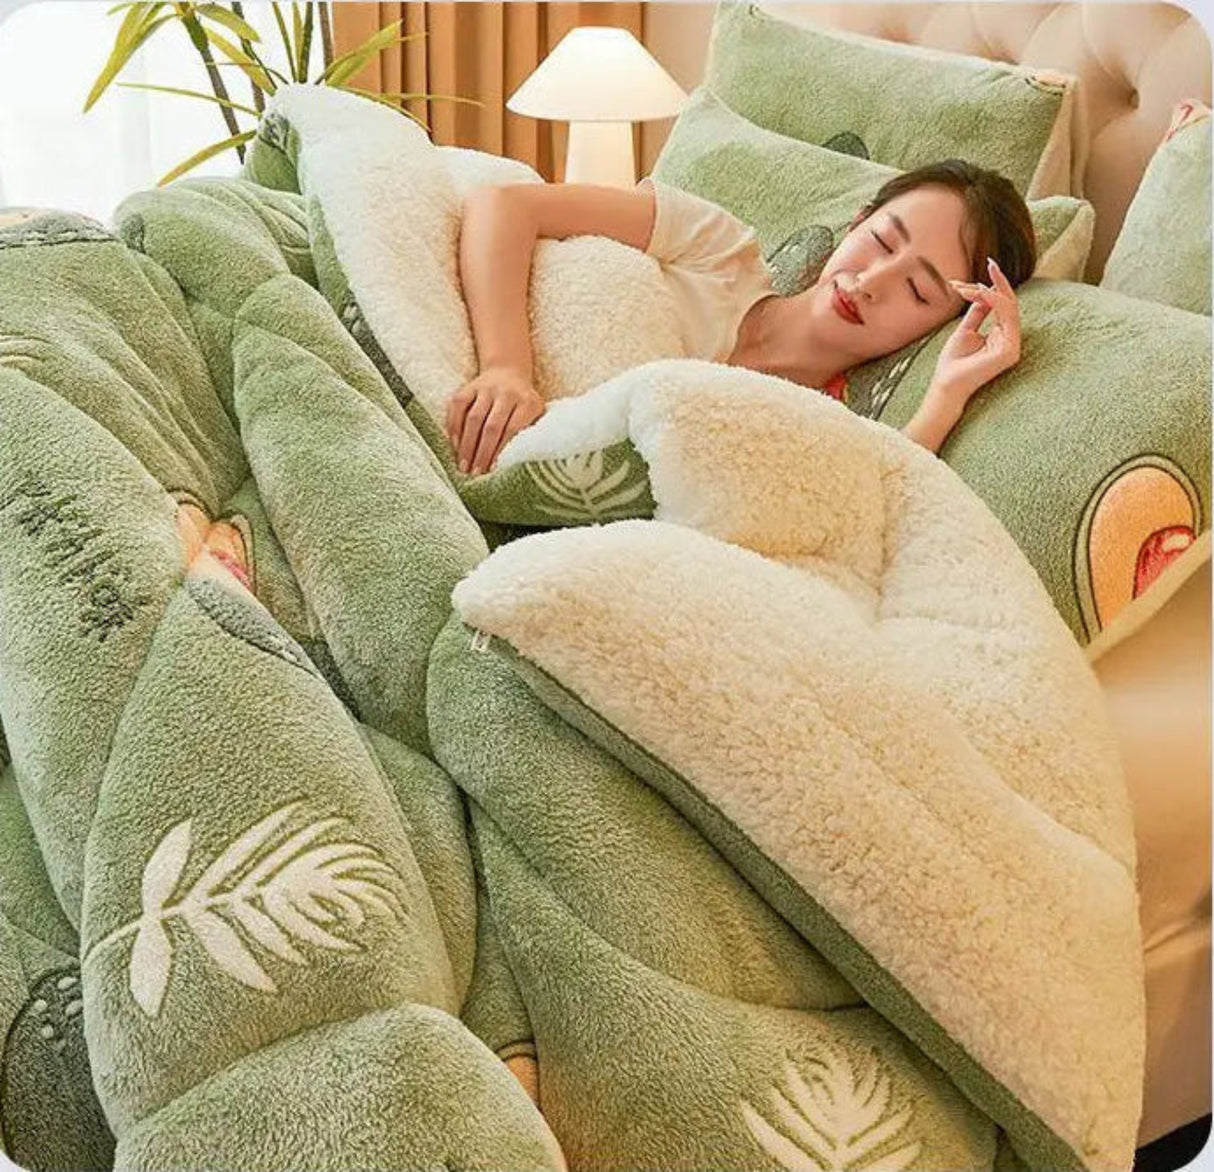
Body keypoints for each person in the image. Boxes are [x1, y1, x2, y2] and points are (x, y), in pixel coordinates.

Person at [449, 158, 1034, 477]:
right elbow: (505, 203)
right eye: (882, 241)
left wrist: (946, 397)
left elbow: (873, 500)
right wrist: (505, 367)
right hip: (462, 386)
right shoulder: (717, 249)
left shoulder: (817, 424)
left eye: (917, 289)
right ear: (857, 221)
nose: (872, 282)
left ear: (934, 329)